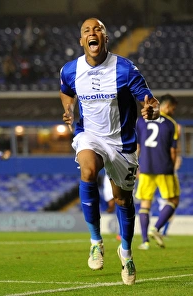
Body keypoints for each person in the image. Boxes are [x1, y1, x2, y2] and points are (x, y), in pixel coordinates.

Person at [60, 18, 159, 285]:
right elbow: (66, 91)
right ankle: (95, 241)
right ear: (82, 41)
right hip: (89, 135)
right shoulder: (70, 70)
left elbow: (149, 100)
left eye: (98, 30)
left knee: (123, 200)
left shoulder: (125, 69)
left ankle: (125, 252)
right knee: (88, 170)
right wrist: (69, 109)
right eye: (86, 31)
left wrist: (153, 110)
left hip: (122, 143)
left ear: (105, 38)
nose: (92, 33)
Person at [135, 94, 180, 250]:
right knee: (173, 200)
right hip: (164, 167)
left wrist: (136, 166)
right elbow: (173, 151)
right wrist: (172, 168)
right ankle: (157, 228)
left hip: (146, 167)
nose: (173, 111)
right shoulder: (171, 124)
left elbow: (138, 147)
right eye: (173, 108)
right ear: (166, 106)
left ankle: (145, 241)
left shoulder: (141, 120)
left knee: (145, 204)